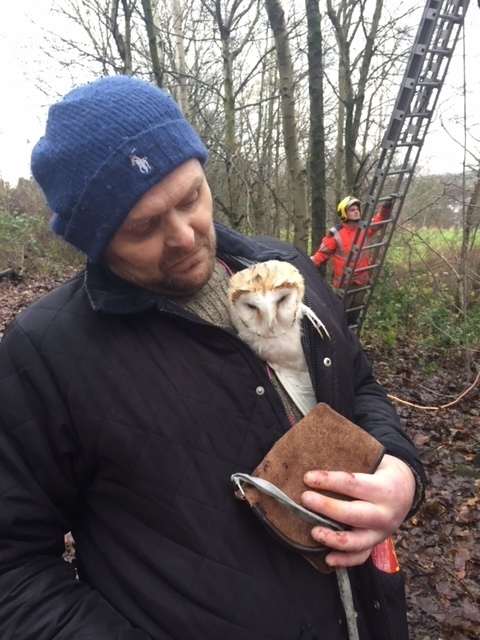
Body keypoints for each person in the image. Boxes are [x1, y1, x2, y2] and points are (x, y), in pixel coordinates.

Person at [0, 75, 424, 640]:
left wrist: (400, 472)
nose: (184, 235)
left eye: (191, 197)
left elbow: (360, 386)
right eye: (143, 226)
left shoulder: (285, 266)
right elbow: (13, 570)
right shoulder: (44, 354)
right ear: (94, 239)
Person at [311, 195, 395, 325]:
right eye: (352, 210)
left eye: (357, 209)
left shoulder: (363, 229)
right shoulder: (336, 233)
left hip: (361, 281)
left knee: (354, 314)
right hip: (345, 284)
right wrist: (308, 263)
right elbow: (322, 253)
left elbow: (380, 220)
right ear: (344, 213)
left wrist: (386, 207)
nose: (356, 211)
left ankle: (352, 339)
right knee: (340, 315)